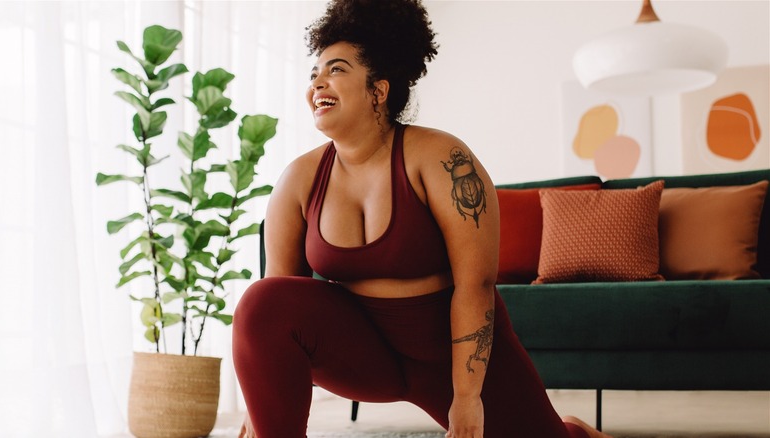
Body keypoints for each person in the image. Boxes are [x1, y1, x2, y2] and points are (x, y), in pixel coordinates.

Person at [232, 1, 612, 437]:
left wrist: (467, 399)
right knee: (260, 301)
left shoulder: (440, 158)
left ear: (378, 90)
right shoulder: (298, 180)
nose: (317, 82)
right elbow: (278, 303)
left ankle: (574, 432)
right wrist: (259, 409)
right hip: (365, 353)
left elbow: (476, 284)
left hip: (448, 354)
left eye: (335, 70)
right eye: (314, 73)